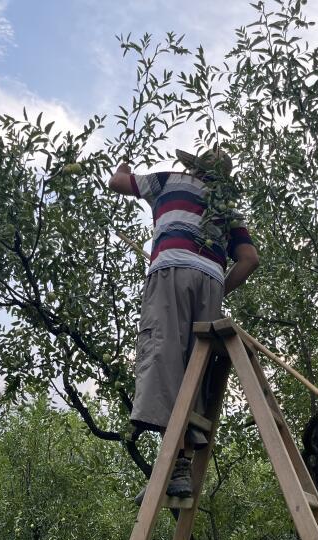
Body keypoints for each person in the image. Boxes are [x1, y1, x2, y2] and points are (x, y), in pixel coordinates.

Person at [108, 147, 259, 500]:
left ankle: (171, 466)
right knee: (196, 367)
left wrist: (124, 165)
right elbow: (250, 260)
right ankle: (179, 467)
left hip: (170, 270)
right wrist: (220, 286)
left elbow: (117, 183)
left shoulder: (167, 181)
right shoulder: (226, 207)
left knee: (164, 359)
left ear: (194, 167)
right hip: (210, 281)